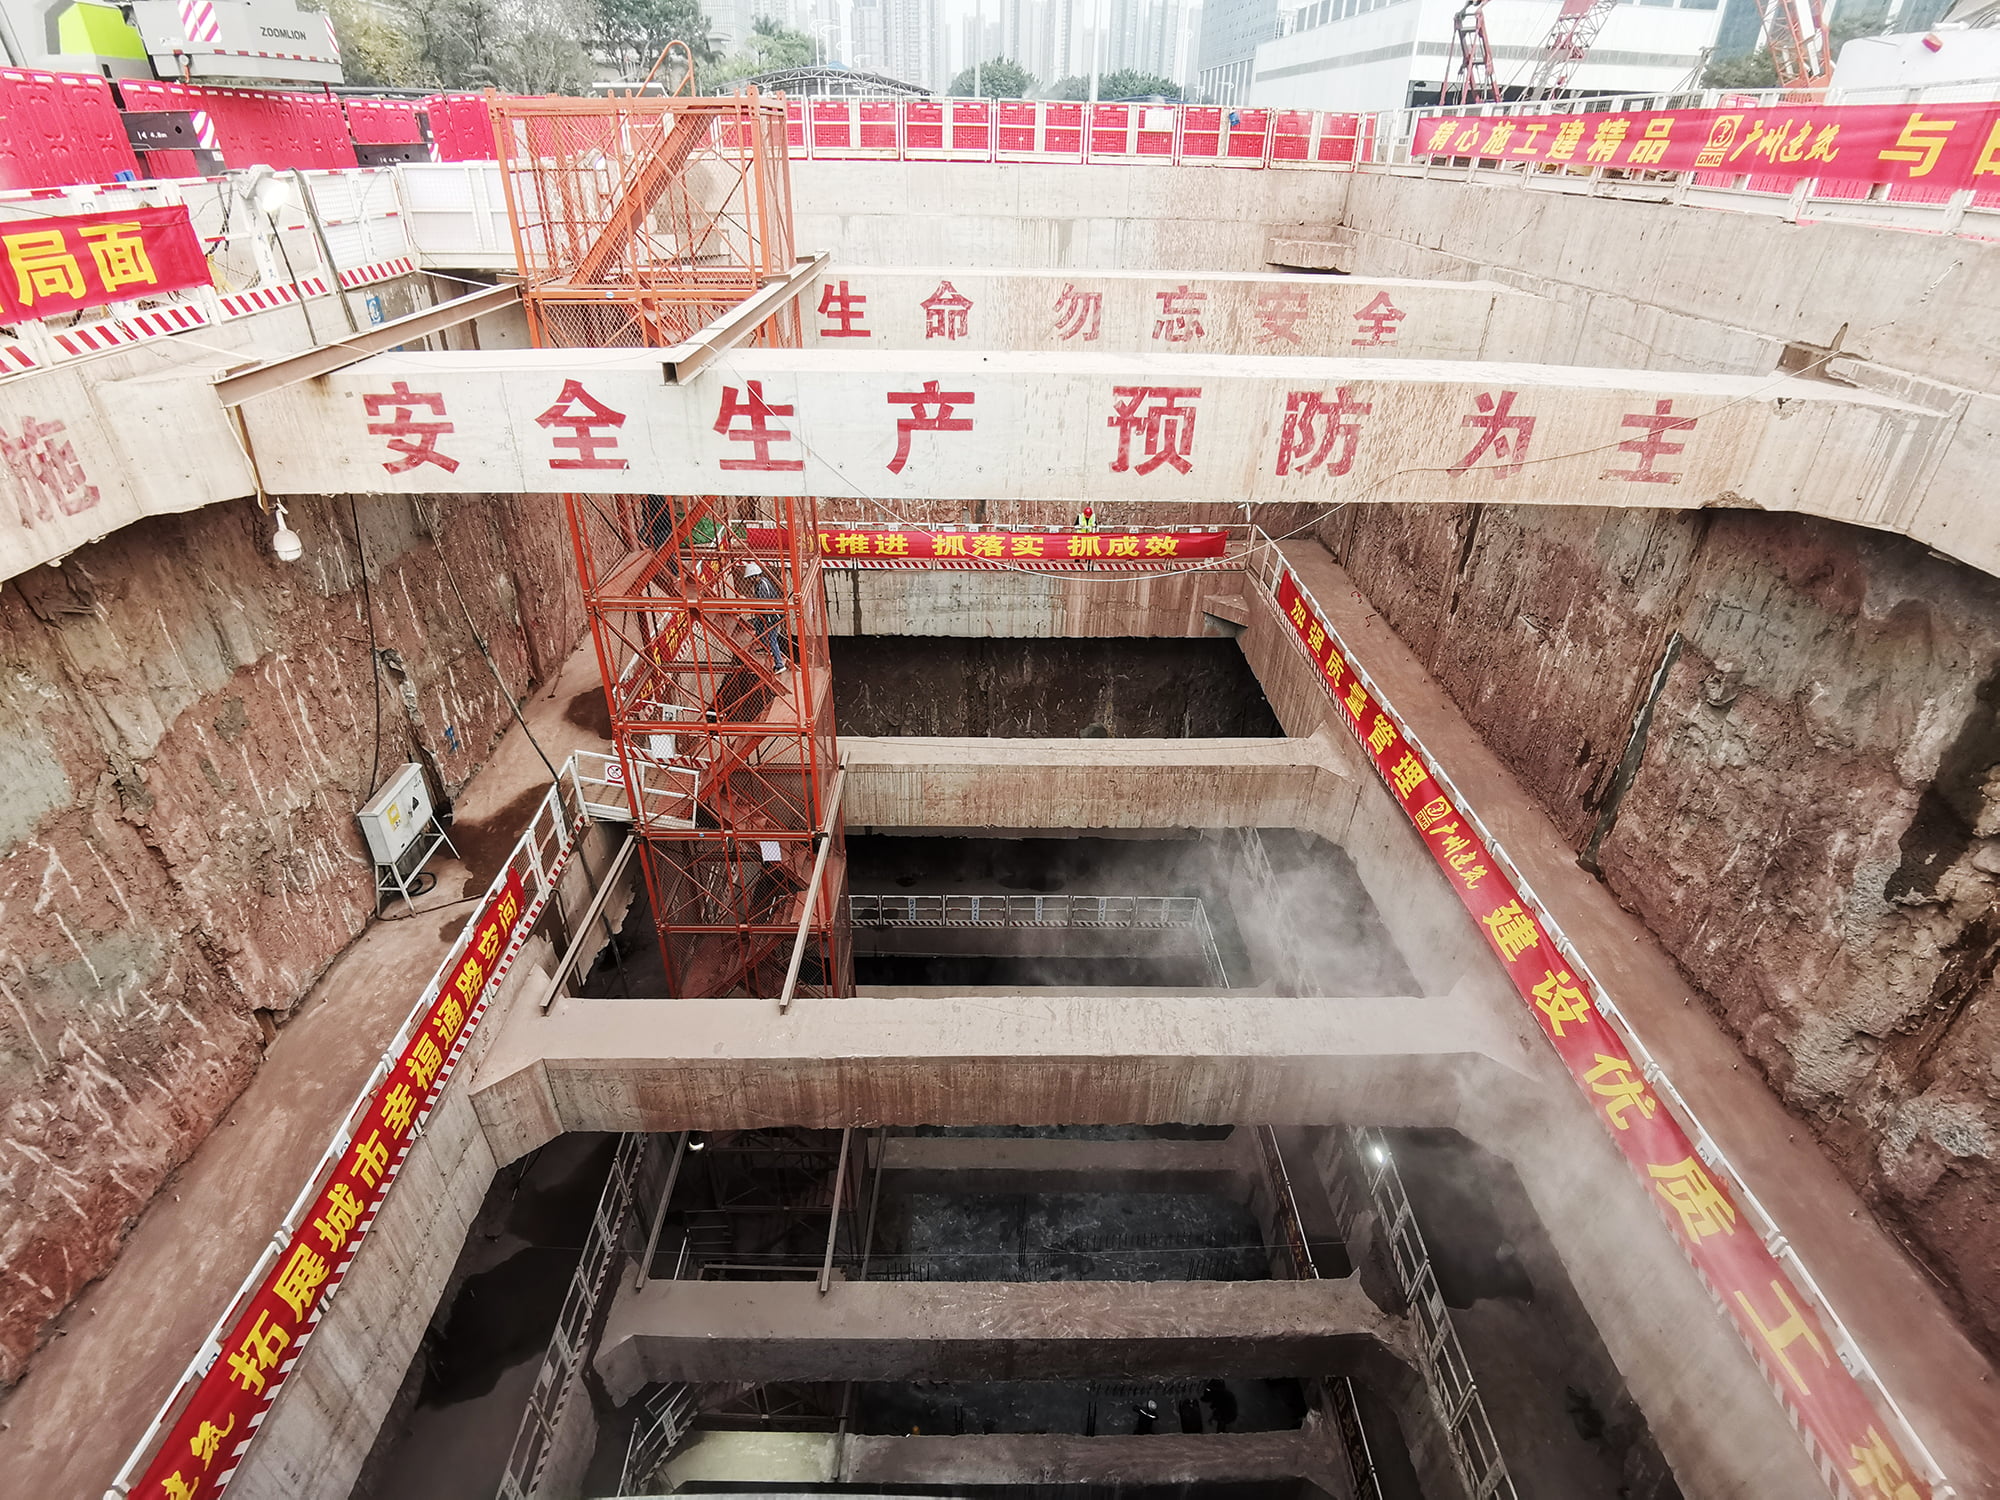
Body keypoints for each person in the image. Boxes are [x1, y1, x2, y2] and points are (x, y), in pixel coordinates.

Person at [741, 560, 788, 674]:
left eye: (750, 578)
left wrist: (750, 604)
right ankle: (768, 647)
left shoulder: (762, 586)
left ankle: (779, 664)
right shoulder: (761, 583)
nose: (749, 581)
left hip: (772, 616)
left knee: (772, 638)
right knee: (758, 626)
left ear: (755, 576)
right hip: (768, 614)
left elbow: (763, 604)